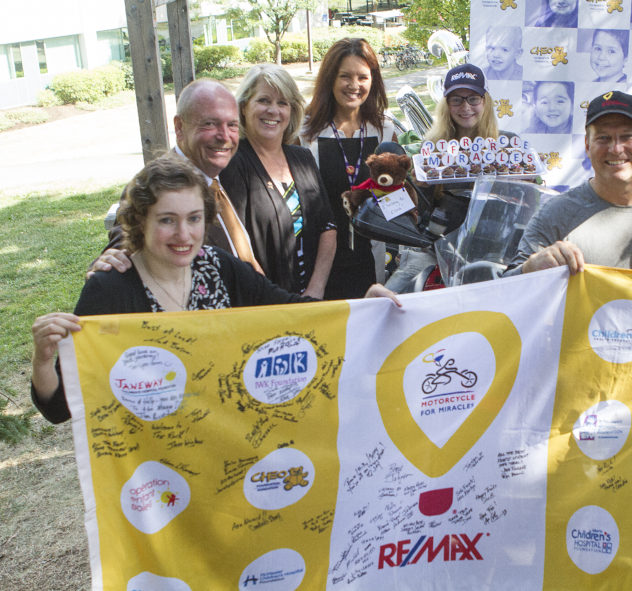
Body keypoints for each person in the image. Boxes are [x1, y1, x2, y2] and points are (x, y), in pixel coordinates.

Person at [31, 156, 398, 424]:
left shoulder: (218, 267)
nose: (183, 235)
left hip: (221, 450)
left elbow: (295, 314)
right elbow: (60, 408)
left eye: (193, 219)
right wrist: (43, 358)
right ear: (140, 221)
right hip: (151, 476)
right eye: (166, 221)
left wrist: (361, 307)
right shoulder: (110, 289)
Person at [506, 90, 632, 276]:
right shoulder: (554, 216)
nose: (615, 149)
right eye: (603, 138)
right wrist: (531, 267)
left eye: (627, 136)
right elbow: (506, 290)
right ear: (588, 146)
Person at [90, 79, 262, 276]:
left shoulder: (224, 174)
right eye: (210, 124)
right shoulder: (156, 183)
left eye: (232, 125)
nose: (224, 136)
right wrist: (106, 264)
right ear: (179, 127)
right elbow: (125, 243)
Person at [220, 64, 337, 299]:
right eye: (264, 100)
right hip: (264, 304)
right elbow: (238, 246)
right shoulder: (233, 165)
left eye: (282, 103)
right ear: (243, 107)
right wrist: (276, 300)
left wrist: (315, 289)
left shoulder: (302, 158)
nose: (273, 111)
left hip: (313, 298)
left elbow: (328, 227)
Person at [385, 64, 504, 293]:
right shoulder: (430, 148)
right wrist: (419, 187)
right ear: (446, 105)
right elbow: (417, 212)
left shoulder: (504, 146)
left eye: (473, 99)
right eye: (456, 99)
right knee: (391, 298)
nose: (465, 107)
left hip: (489, 252)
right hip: (436, 250)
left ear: (485, 102)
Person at [301, 38, 398, 300]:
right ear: (330, 79)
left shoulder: (384, 131)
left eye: (363, 77)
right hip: (320, 261)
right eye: (345, 76)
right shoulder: (305, 132)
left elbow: (394, 197)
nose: (354, 85)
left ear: (373, 81)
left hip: (370, 257)